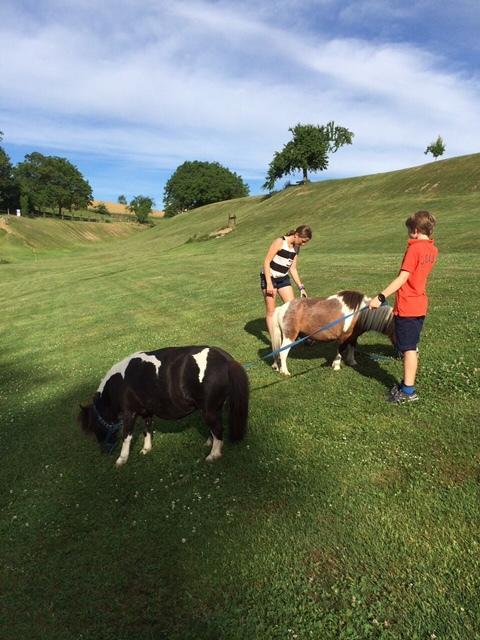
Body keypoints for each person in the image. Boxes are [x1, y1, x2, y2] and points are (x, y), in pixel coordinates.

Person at [369, 210, 438, 404]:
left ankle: (408, 391)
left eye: (409, 231)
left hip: (408, 306)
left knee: (408, 349)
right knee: (410, 347)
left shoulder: (414, 249)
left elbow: (402, 278)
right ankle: (406, 385)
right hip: (420, 304)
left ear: (416, 230)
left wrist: (380, 297)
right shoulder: (432, 249)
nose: (408, 235)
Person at [261, 225, 312, 342]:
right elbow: (266, 261)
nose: (303, 244)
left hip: (283, 277)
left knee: (293, 308)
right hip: (269, 277)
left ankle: (300, 334)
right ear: (296, 235)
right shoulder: (280, 242)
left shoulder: (296, 247)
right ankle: (274, 341)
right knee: (271, 311)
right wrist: (269, 283)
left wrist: (301, 287)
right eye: (303, 241)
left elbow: (293, 269)